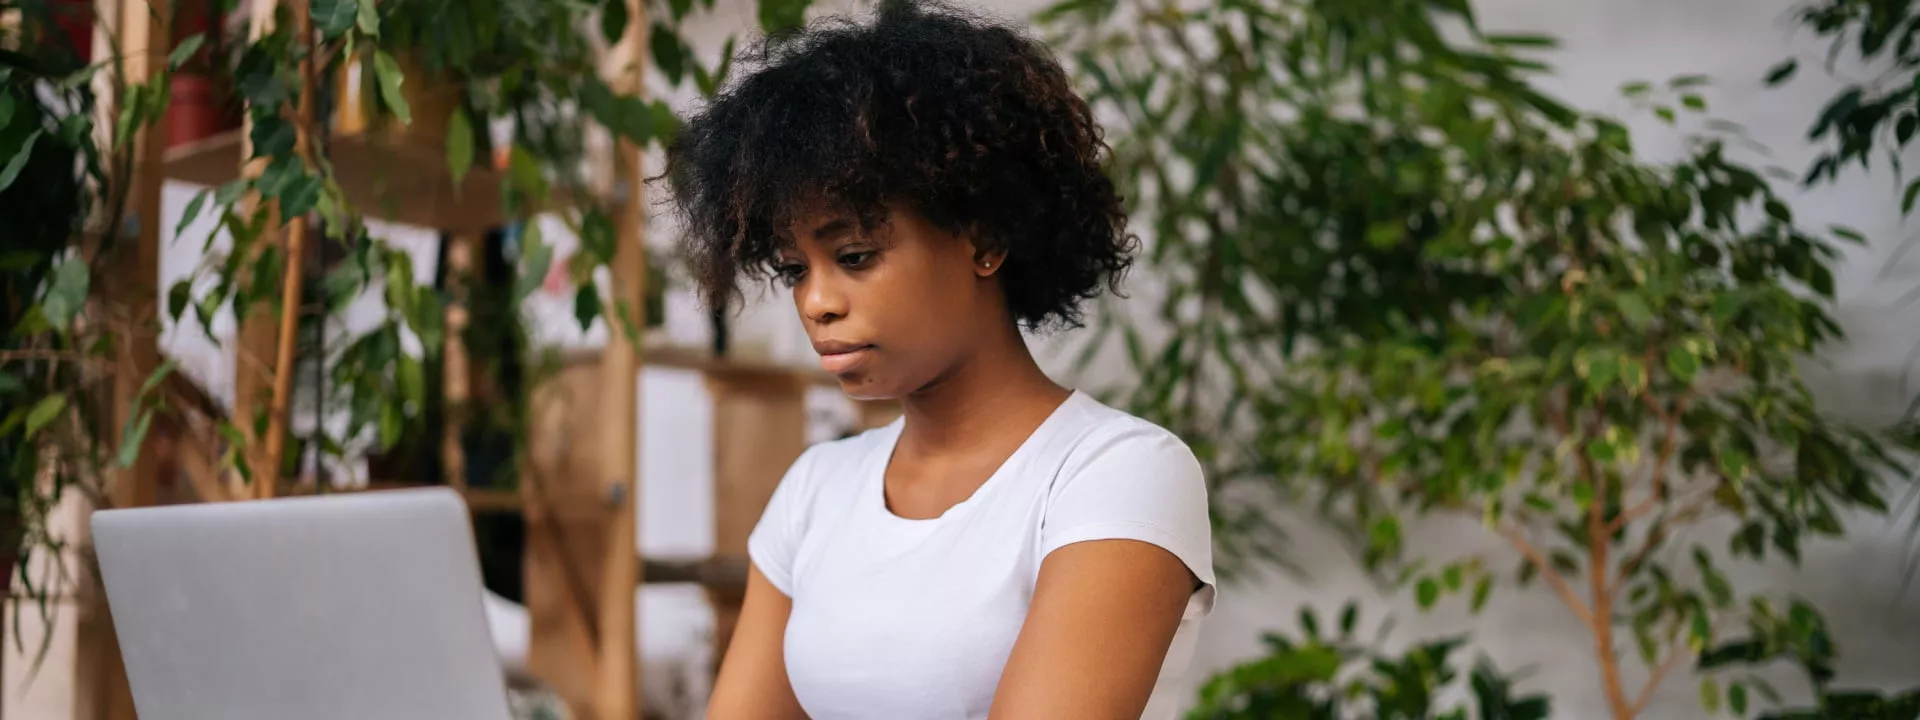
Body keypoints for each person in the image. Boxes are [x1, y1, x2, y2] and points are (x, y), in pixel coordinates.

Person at [664, 1, 1215, 717]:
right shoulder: (816, 490)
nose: (816, 303)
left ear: (983, 238)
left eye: (854, 257)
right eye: (797, 268)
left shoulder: (1113, 473)